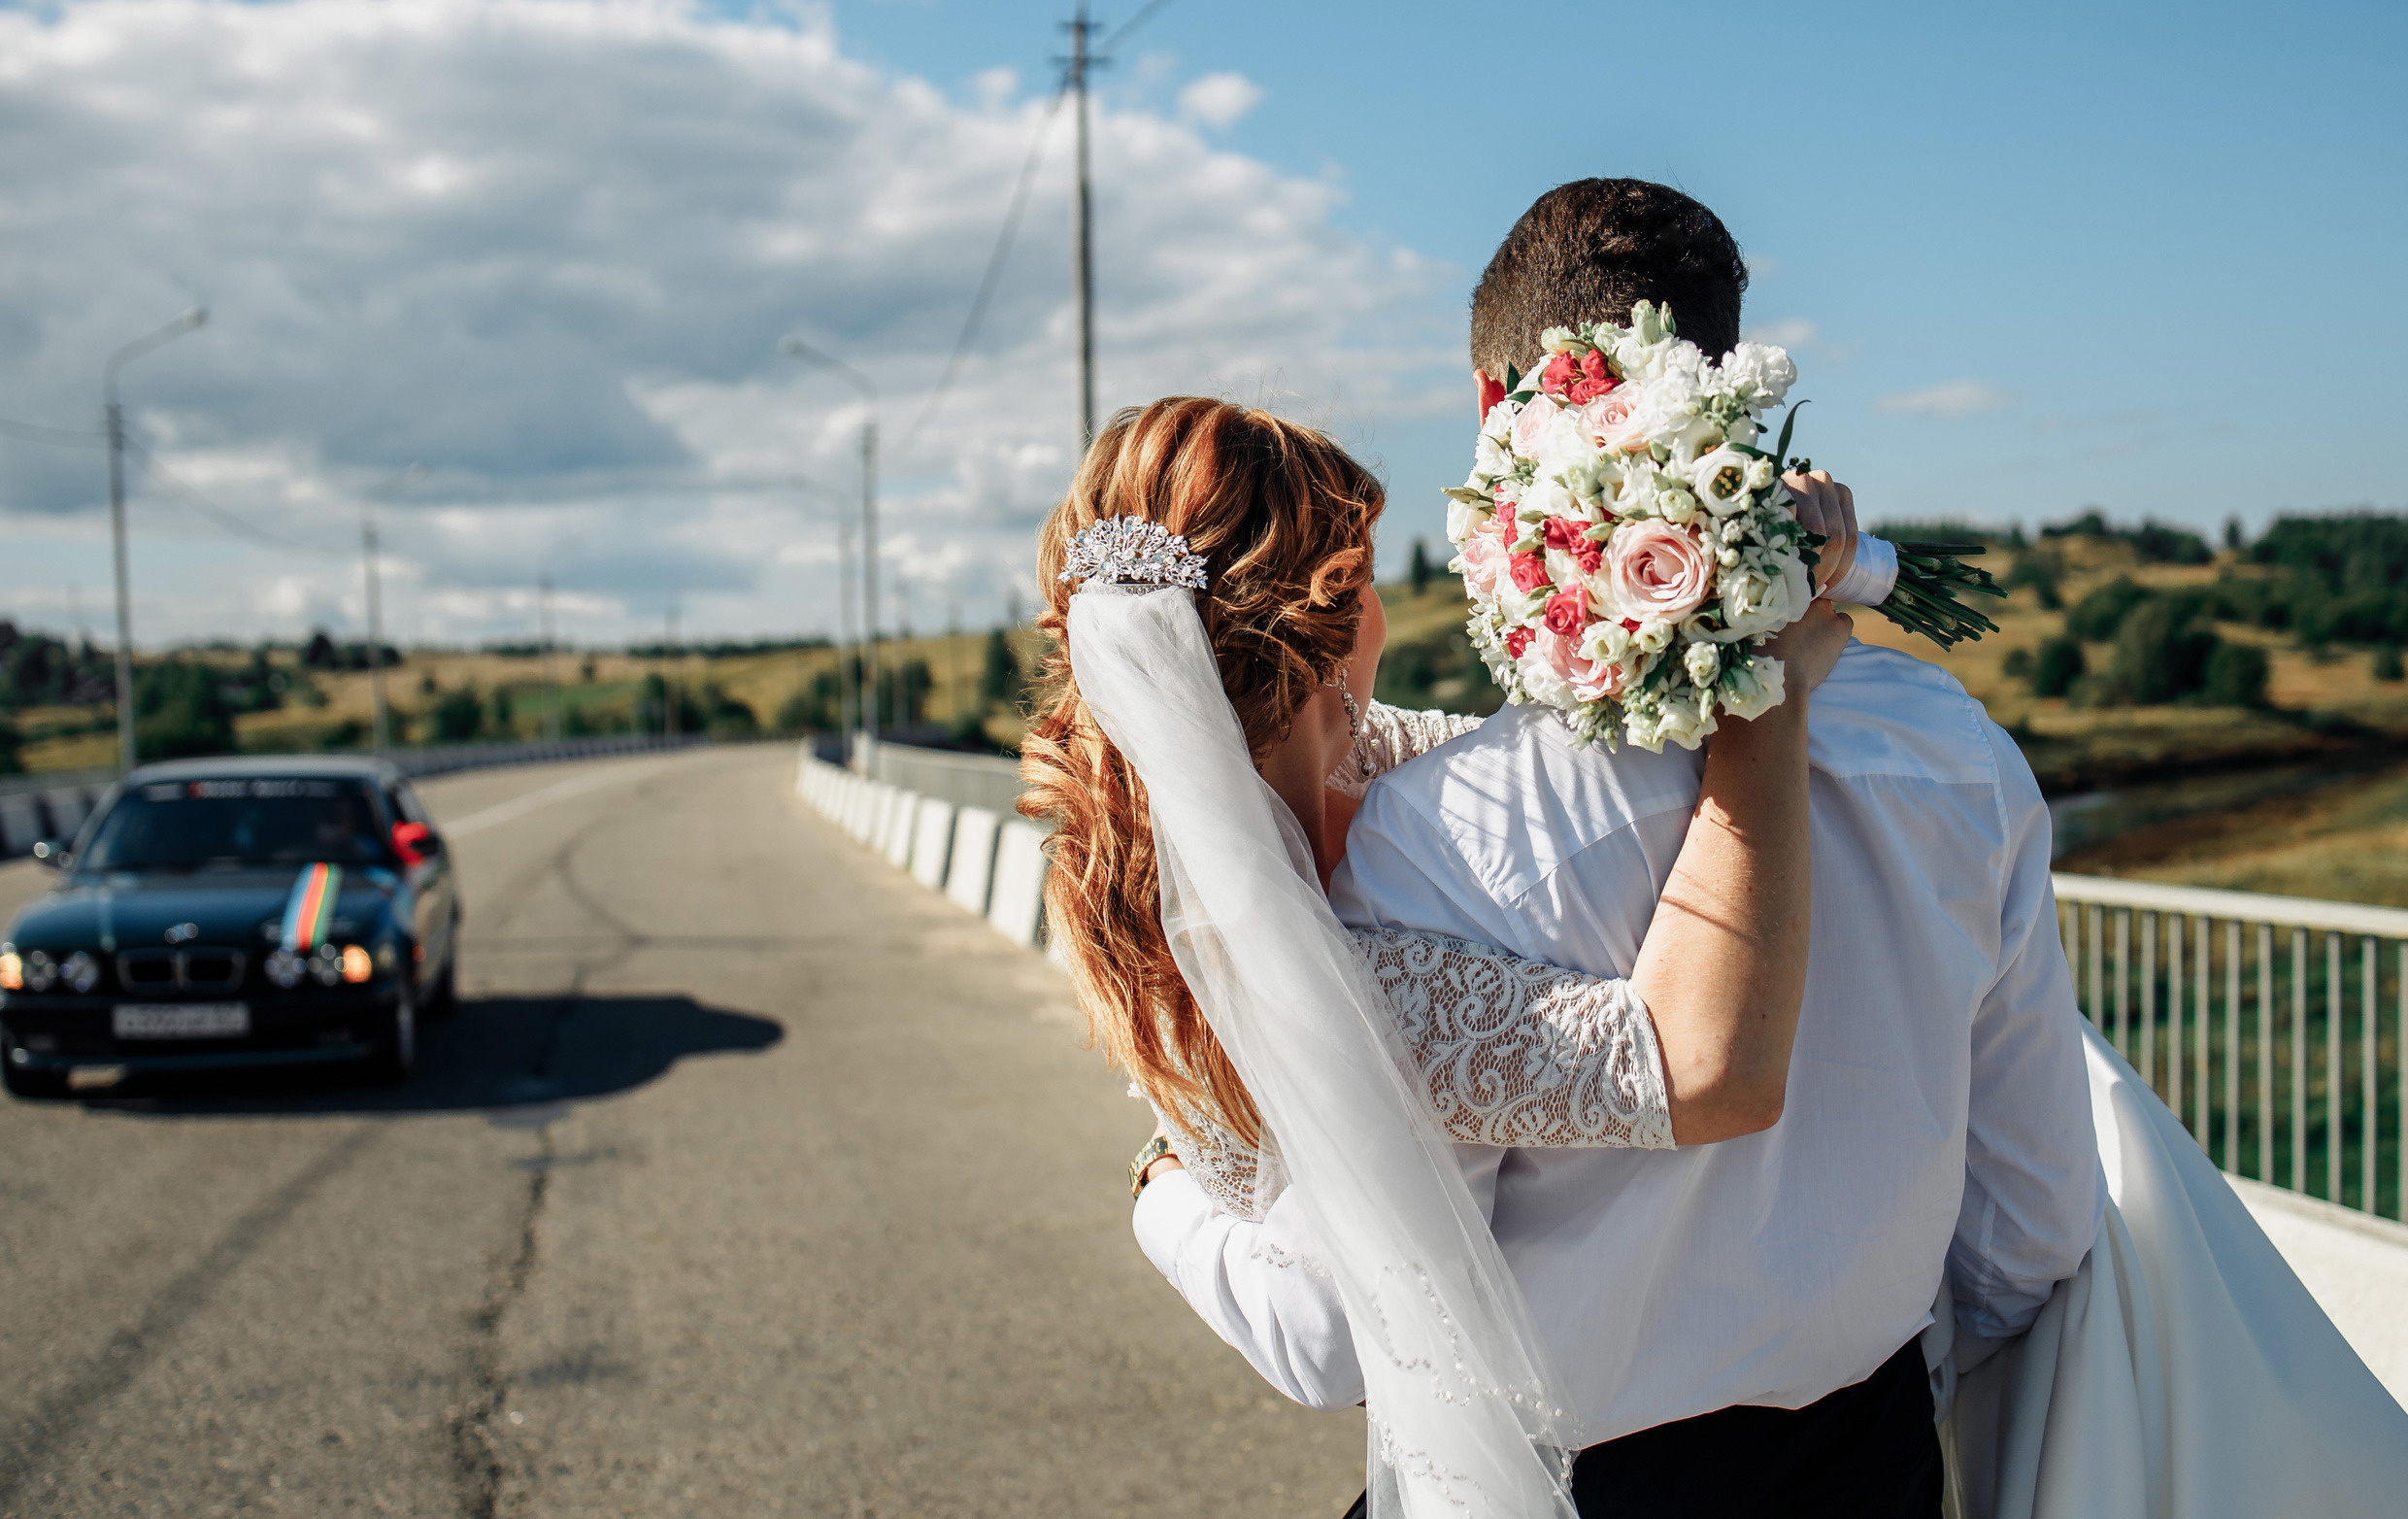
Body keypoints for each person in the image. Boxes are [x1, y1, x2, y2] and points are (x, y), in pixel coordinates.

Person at [1133, 179, 2408, 1517]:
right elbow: (2033, 1232)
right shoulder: (1953, 753)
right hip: (1869, 1472)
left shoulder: (1433, 835)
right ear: (1732, 393)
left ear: (1490, 404)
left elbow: (1372, 1313)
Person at [1019, 392, 1856, 1516]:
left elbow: (1535, 761)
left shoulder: (1301, 779)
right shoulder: (1349, 966)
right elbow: (1710, 1070)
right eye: (1364, 578)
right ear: (1334, 619)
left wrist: (1704, 593)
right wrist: (1771, 688)